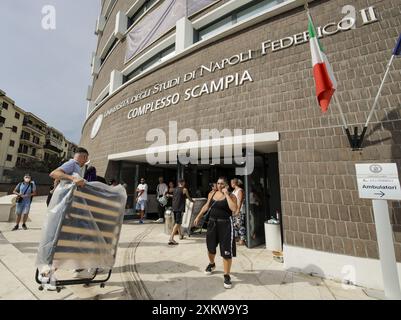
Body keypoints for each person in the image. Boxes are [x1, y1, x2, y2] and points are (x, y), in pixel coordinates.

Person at [194, 177, 237, 289]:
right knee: (210, 247)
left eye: (222, 184)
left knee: (226, 251)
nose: (220, 185)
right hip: (212, 224)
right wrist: (198, 216)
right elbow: (206, 206)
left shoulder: (232, 196)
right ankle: (212, 263)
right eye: (218, 183)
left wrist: (226, 195)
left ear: (226, 185)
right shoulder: (212, 194)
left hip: (226, 224)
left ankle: (226, 275)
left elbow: (234, 209)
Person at [168, 179, 193, 245]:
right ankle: (171, 238)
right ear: (183, 183)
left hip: (174, 207)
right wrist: (193, 201)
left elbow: (175, 196)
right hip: (179, 208)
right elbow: (188, 197)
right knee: (178, 223)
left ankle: (180, 235)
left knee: (177, 222)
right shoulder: (184, 189)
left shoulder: (175, 189)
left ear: (178, 183)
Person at [231, 178, 246, 245]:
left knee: (240, 225)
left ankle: (242, 239)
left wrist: (238, 210)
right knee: (235, 224)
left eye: (232, 183)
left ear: (235, 183)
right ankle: (237, 238)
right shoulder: (234, 191)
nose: (231, 184)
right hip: (234, 210)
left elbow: (240, 201)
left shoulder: (240, 190)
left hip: (239, 210)